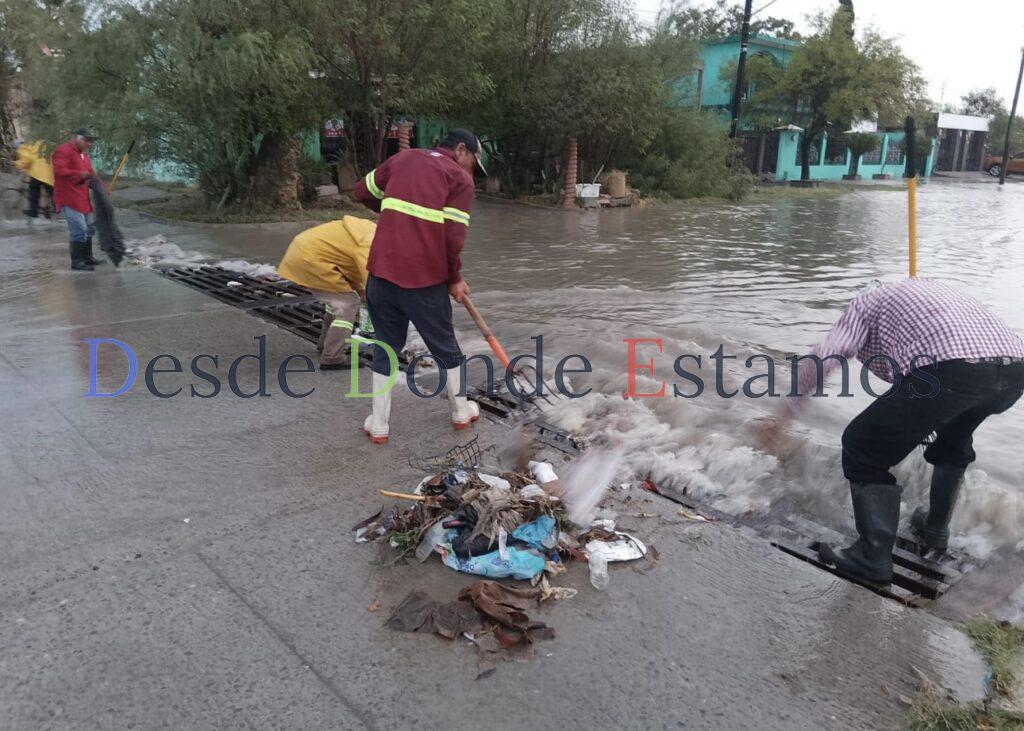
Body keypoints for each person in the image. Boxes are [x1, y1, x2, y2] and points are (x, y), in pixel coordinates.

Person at [761, 278, 1024, 586]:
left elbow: (827, 354)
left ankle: (872, 557)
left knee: (863, 446)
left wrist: (785, 413)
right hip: (1014, 370)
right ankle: (935, 530)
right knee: (954, 442)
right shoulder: (928, 291)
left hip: (952, 369)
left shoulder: (864, 305)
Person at [353, 128, 485, 444]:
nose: (471, 172)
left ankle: (379, 425)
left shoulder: (403, 159)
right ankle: (461, 412)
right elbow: (453, 238)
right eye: (472, 163)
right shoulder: (459, 178)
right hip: (424, 279)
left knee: (385, 345)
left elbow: (362, 190)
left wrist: (394, 212)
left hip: (381, 273)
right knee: (445, 346)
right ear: (461, 150)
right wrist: (454, 278)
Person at [277, 216, 377, 370]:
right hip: (310, 259)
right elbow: (372, 281)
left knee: (338, 301)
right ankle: (333, 357)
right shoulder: (370, 244)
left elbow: (351, 268)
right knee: (347, 304)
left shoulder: (370, 231)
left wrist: (362, 291)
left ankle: (326, 345)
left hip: (306, 252)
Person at [52, 127, 102, 271]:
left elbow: (90, 173)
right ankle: (77, 261)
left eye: (91, 141)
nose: (89, 144)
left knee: (90, 227)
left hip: (82, 198)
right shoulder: (63, 151)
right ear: (75, 138)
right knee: (79, 229)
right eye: (86, 140)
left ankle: (88, 257)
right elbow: (59, 171)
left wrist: (101, 187)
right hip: (68, 198)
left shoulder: (84, 155)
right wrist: (80, 175)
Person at [12, 139, 55, 218]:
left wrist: (16, 163)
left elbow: (26, 161)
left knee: (34, 192)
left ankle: (33, 212)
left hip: (37, 173)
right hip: (48, 172)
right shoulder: (34, 145)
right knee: (51, 191)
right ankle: (56, 208)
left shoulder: (22, 149)